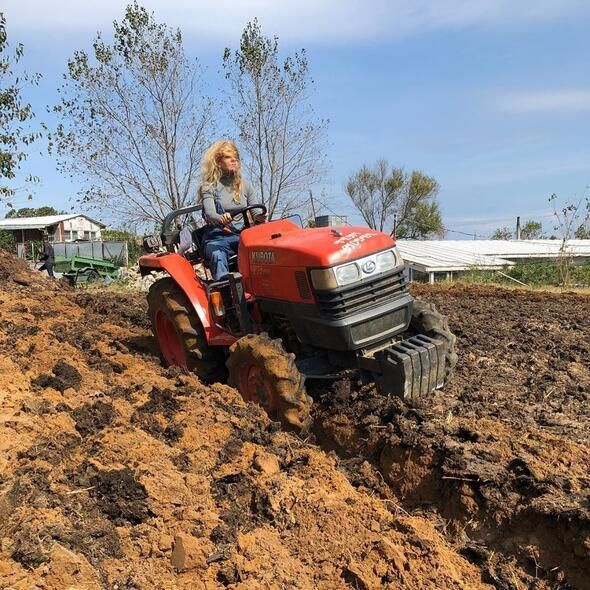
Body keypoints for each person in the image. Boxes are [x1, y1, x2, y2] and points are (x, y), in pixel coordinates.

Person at [199, 140, 263, 280]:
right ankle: (226, 292)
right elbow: (210, 214)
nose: (234, 160)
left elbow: (256, 212)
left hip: (241, 237)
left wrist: (261, 217)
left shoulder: (246, 185)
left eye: (236, 158)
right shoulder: (209, 187)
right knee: (217, 254)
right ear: (218, 162)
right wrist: (220, 218)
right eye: (228, 157)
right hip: (217, 240)